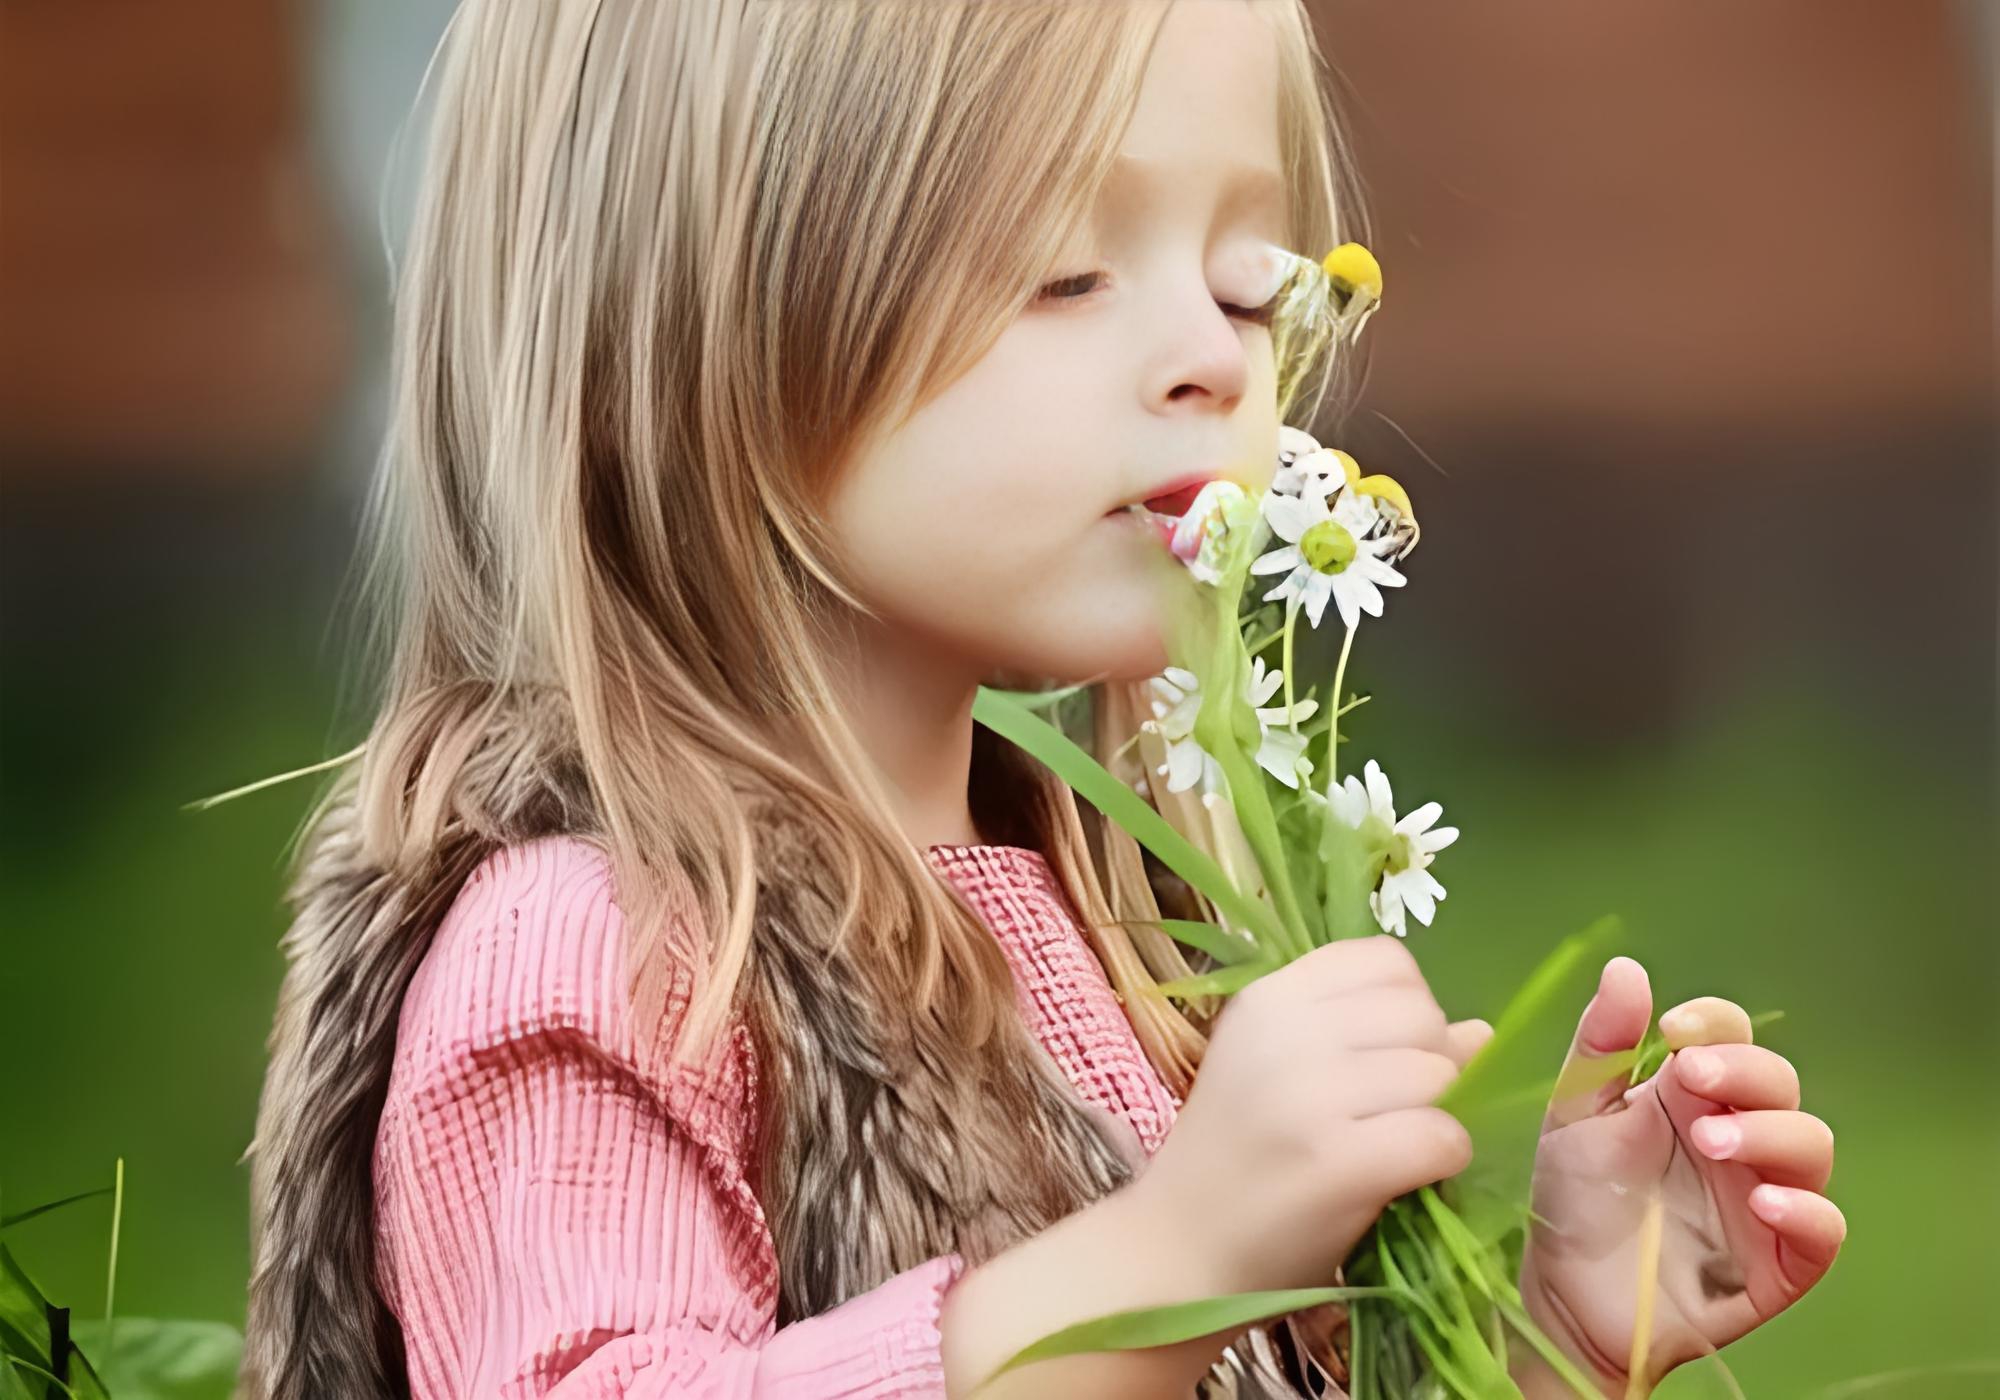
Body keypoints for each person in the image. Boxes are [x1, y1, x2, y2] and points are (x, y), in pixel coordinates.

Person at [235, 3, 1844, 1397]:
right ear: (693, 330)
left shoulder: (1130, 937)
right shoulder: (607, 949)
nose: (1214, 360)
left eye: (1245, 283)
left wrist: (1551, 1333)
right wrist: (1170, 1259)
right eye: (1069, 272)